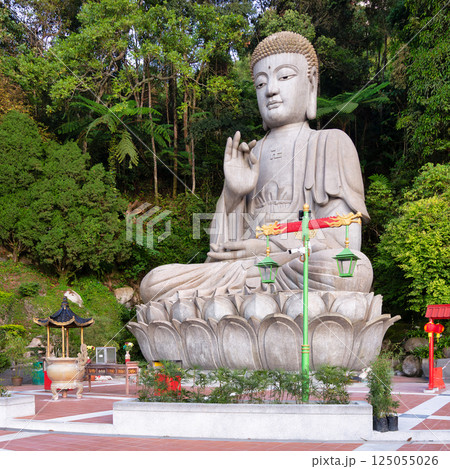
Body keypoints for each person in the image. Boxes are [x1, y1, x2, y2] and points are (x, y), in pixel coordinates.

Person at [140, 31, 373, 304]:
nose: (271, 90)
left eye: (284, 77)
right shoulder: (250, 155)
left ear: (311, 83)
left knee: (349, 269)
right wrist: (233, 193)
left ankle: (242, 306)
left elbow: (343, 239)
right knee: (154, 283)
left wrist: (264, 247)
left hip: (296, 266)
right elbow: (218, 249)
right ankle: (251, 303)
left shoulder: (330, 143)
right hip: (242, 271)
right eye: (261, 84)